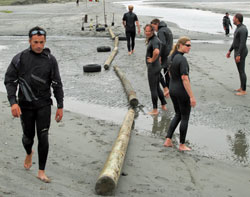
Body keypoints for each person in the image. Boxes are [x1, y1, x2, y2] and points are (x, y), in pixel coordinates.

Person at [4, 26, 64, 183]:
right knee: (28, 137)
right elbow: (10, 80)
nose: (39, 46)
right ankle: (29, 152)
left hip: (44, 104)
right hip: (25, 105)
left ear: (45, 42)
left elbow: (57, 84)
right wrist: (13, 102)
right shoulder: (20, 58)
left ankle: (41, 171)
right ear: (29, 41)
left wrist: (60, 106)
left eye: (42, 42)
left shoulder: (50, 60)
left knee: (43, 136)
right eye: (36, 42)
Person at [163, 37, 196, 151]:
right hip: (181, 91)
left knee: (177, 114)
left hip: (173, 89)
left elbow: (170, 75)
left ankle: (168, 140)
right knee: (185, 117)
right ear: (180, 45)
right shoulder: (182, 60)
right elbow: (184, 78)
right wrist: (191, 96)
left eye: (190, 45)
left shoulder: (171, 57)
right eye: (187, 45)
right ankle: (182, 145)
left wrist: (168, 89)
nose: (189, 47)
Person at [144, 24, 167, 115]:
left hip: (153, 68)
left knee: (153, 89)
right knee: (157, 87)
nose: (147, 33)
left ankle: (155, 110)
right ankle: (163, 104)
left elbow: (156, 51)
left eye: (149, 31)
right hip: (157, 67)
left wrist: (152, 60)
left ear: (153, 31)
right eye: (146, 31)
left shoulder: (154, 40)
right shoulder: (154, 39)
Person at [226, 13, 248, 96]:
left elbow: (242, 43)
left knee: (241, 71)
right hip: (237, 51)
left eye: (234, 18)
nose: (232, 19)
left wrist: (238, 54)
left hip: (241, 52)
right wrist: (230, 50)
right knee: (240, 70)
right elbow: (235, 41)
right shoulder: (238, 28)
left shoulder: (243, 29)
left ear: (237, 19)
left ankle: (244, 90)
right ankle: (241, 87)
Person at [151, 18, 173, 97]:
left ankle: (166, 88)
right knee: (167, 73)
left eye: (154, 27)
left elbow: (162, 44)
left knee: (157, 71)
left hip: (164, 55)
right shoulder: (167, 29)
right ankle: (168, 91)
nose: (154, 30)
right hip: (170, 53)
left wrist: (159, 56)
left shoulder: (161, 31)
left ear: (157, 24)